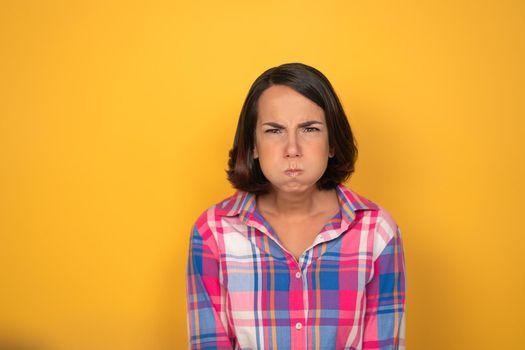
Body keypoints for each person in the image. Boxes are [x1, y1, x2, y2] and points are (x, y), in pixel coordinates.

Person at [186, 63, 406, 349]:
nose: (292, 149)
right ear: (253, 145)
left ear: (332, 144)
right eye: (275, 131)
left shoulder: (377, 231)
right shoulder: (213, 232)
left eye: (310, 129)